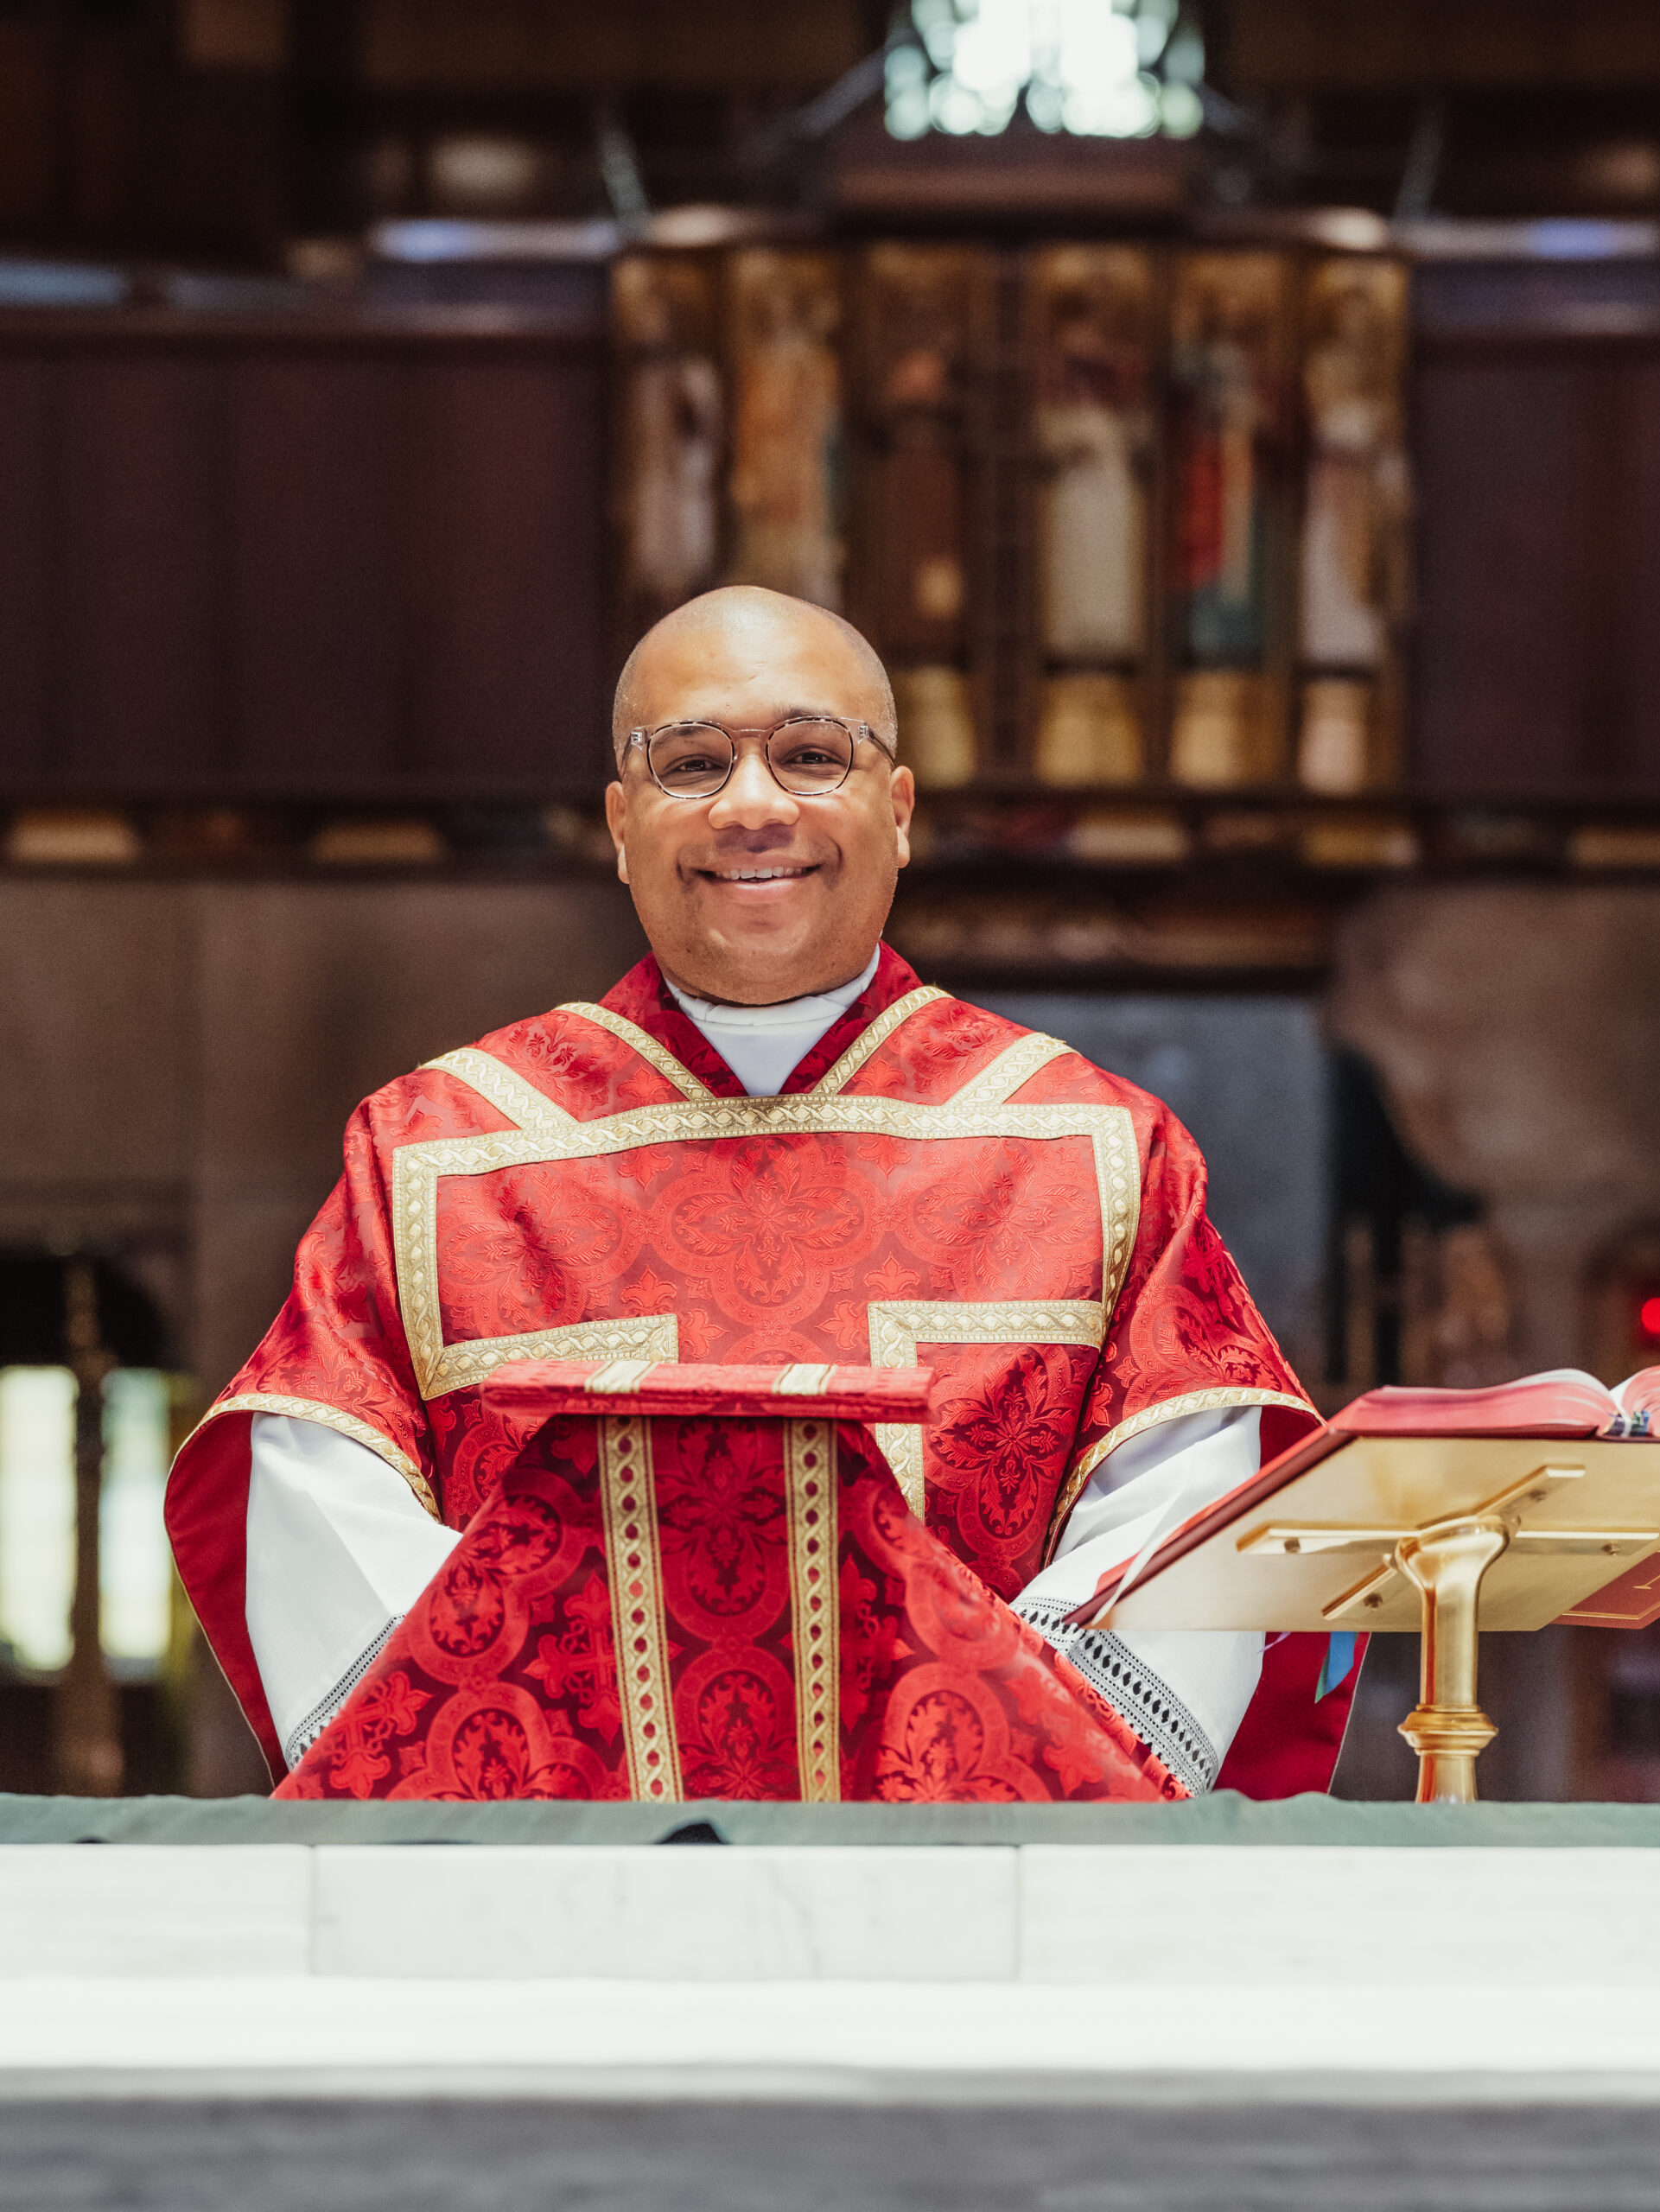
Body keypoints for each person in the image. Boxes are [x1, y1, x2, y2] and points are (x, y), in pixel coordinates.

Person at [166, 587, 1361, 1797]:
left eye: (808, 754)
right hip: (553, 1894)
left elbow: (1186, 1512)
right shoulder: (439, 1148)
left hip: (970, 1889)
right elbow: (316, 1493)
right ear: (621, 825)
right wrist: (570, 1768)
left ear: (896, 813)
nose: (751, 807)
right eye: (691, 763)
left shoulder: (1094, 1150)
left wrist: (972, 1762)